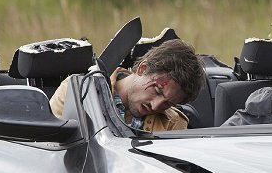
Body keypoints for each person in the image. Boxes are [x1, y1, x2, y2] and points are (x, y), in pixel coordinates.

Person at [50, 39, 205, 132]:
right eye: (157, 90)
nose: (156, 105)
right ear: (143, 68)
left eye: (168, 104)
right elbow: (48, 148)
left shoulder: (174, 123)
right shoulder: (79, 92)